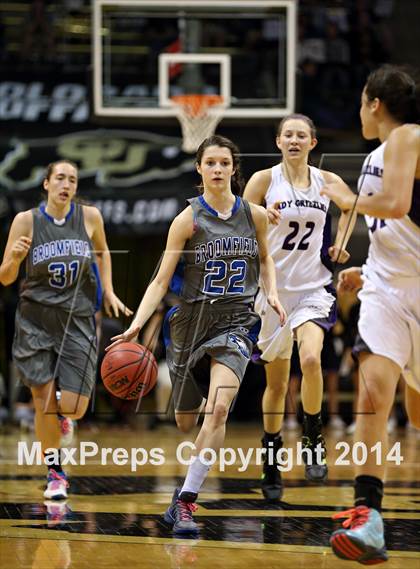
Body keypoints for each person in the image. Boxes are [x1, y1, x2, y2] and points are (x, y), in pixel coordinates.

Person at [107, 135, 286, 534]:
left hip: (236, 322)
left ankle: (185, 503)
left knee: (218, 410)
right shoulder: (186, 220)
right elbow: (160, 280)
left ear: (233, 169)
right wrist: (138, 324)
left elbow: (266, 258)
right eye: (211, 163)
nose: (218, 169)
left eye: (225, 163)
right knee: (186, 422)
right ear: (199, 169)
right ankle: (195, 379)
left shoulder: (254, 215)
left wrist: (270, 291)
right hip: (191, 322)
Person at [320, 64, 420, 565]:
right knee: (372, 391)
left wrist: (345, 199)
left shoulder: (409, 136)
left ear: (374, 103)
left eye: (361, 102)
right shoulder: (377, 155)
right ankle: (368, 517)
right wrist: (363, 268)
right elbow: (391, 225)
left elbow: (398, 204)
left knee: (417, 411)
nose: (360, 111)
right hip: (384, 286)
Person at [0, 159, 131, 500]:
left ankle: (63, 417)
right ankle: (56, 472)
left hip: (78, 318)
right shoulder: (26, 221)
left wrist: (109, 290)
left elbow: (102, 253)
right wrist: (13, 259)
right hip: (36, 320)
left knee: (74, 407)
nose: (66, 184)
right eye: (60, 177)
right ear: (46, 183)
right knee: (42, 398)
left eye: (72, 179)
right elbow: (5, 277)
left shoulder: (89, 217)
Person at [244, 113, 356, 501]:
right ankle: (271, 458)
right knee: (276, 386)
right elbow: (238, 219)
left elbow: (353, 205)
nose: (294, 140)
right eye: (287, 134)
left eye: (301, 135)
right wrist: (259, 214)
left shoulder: (326, 182)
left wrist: (340, 240)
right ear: (278, 141)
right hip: (274, 293)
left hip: (313, 287)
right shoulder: (264, 180)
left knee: (310, 359)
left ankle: (313, 437)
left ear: (312, 143)